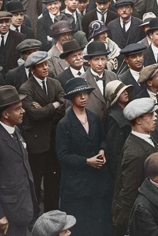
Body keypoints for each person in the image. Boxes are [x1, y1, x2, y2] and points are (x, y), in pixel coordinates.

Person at [112, 96, 158, 236]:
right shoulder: (135, 153)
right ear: (138, 120)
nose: (156, 117)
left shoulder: (147, 137)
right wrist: (126, 226)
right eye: (151, 115)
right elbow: (129, 192)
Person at [0, 86, 39, 236]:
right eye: (17, 109)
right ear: (5, 114)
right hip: (9, 214)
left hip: (24, 206)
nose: (23, 111)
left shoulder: (15, 130)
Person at [55, 77, 113, 236]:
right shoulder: (64, 124)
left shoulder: (93, 117)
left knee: (99, 219)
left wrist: (102, 150)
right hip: (77, 184)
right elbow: (62, 155)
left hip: (97, 179)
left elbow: (103, 139)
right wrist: (86, 161)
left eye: (86, 93)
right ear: (71, 98)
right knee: (82, 223)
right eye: (79, 94)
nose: (83, 97)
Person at [20, 51, 65, 212]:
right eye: (41, 66)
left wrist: (46, 110)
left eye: (46, 64)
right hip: (37, 143)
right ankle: (34, 215)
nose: (45, 68)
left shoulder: (55, 83)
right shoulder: (26, 88)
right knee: (36, 180)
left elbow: (63, 105)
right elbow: (34, 114)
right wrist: (54, 105)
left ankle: (52, 212)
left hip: (53, 140)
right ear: (33, 69)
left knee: (53, 180)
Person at [81, 41, 119, 120]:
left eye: (103, 59)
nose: (100, 63)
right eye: (96, 59)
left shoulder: (113, 76)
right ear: (89, 61)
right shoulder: (81, 80)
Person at [103, 80, 132, 180]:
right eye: (122, 92)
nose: (126, 93)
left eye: (126, 90)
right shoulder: (114, 118)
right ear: (114, 97)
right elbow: (115, 149)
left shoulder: (126, 110)